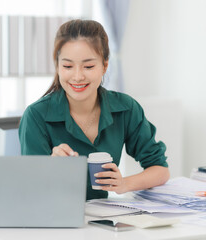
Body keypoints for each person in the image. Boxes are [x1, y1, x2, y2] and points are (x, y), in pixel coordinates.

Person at [18, 19, 170, 200]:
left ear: (104, 66)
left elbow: (160, 170)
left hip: (103, 220)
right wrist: (53, 168)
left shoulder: (126, 108)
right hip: (55, 220)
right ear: (58, 66)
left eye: (88, 66)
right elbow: (30, 191)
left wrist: (124, 184)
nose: (77, 76)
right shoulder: (36, 116)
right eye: (67, 66)